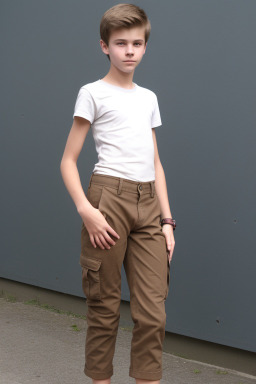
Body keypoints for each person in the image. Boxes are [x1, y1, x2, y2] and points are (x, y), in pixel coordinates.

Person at [60, 4, 176, 384]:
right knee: (105, 307)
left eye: (137, 43)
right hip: (107, 200)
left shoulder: (149, 98)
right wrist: (87, 211)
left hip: (149, 206)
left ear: (145, 48)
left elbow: (155, 163)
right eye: (120, 43)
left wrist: (167, 220)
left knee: (152, 313)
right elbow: (68, 160)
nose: (129, 50)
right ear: (104, 46)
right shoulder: (92, 93)